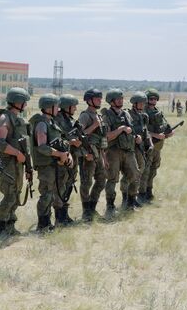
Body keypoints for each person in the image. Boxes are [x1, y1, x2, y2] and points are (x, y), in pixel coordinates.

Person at [29, 93, 72, 231]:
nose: (58, 109)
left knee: (59, 192)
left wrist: (67, 155)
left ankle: (59, 220)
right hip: (46, 166)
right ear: (49, 107)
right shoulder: (42, 124)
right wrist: (59, 154)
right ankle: (43, 224)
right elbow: (42, 146)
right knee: (46, 195)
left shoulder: (52, 123)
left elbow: (61, 142)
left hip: (56, 165)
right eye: (56, 106)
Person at [0, 87, 31, 239]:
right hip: (9, 164)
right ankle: (0, 230)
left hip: (18, 165)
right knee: (9, 196)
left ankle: (10, 226)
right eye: (24, 102)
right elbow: (0, 143)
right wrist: (17, 153)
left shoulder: (17, 119)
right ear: (17, 102)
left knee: (15, 195)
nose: (25, 106)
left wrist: (26, 164)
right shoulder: (5, 118)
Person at [101, 89, 139, 216]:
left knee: (134, 174)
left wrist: (135, 137)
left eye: (122, 98)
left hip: (128, 150)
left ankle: (129, 202)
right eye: (118, 99)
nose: (121, 101)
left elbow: (131, 131)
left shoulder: (126, 114)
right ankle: (110, 206)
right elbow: (106, 136)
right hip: (113, 151)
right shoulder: (106, 116)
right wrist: (121, 129)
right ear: (111, 101)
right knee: (112, 179)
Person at [53, 94, 85, 226]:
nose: (76, 109)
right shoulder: (57, 120)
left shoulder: (70, 120)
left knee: (69, 184)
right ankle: (59, 217)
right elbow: (55, 140)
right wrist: (70, 142)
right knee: (60, 186)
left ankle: (65, 215)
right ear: (67, 107)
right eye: (74, 106)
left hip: (73, 157)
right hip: (62, 159)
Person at [78, 88, 108, 221]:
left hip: (98, 154)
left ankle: (92, 207)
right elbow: (80, 135)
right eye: (97, 98)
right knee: (86, 183)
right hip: (88, 155)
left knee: (101, 181)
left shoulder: (99, 116)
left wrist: (104, 157)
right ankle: (86, 212)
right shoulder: (85, 116)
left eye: (100, 98)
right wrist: (94, 125)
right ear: (89, 101)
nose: (99, 100)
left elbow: (101, 139)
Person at [139, 88, 174, 201]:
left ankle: (149, 192)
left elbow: (164, 126)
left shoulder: (157, 112)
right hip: (147, 146)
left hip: (158, 146)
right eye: (151, 98)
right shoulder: (142, 112)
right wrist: (156, 135)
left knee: (153, 170)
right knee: (145, 170)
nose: (153, 101)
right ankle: (142, 194)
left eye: (155, 99)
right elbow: (141, 130)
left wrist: (168, 133)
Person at [128, 92, 154, 204]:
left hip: (142, 147)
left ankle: (136, 196)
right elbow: (126, 131)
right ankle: (129, 198)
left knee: (143, 171)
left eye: (144, 103)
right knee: (135, 172)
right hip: (132, 148)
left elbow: (146, 131)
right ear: (135, 104)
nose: (143, 105)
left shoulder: (144, 116)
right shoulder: (128, 115)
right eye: (141, 103)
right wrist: (134, 138)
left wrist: (150, 143)